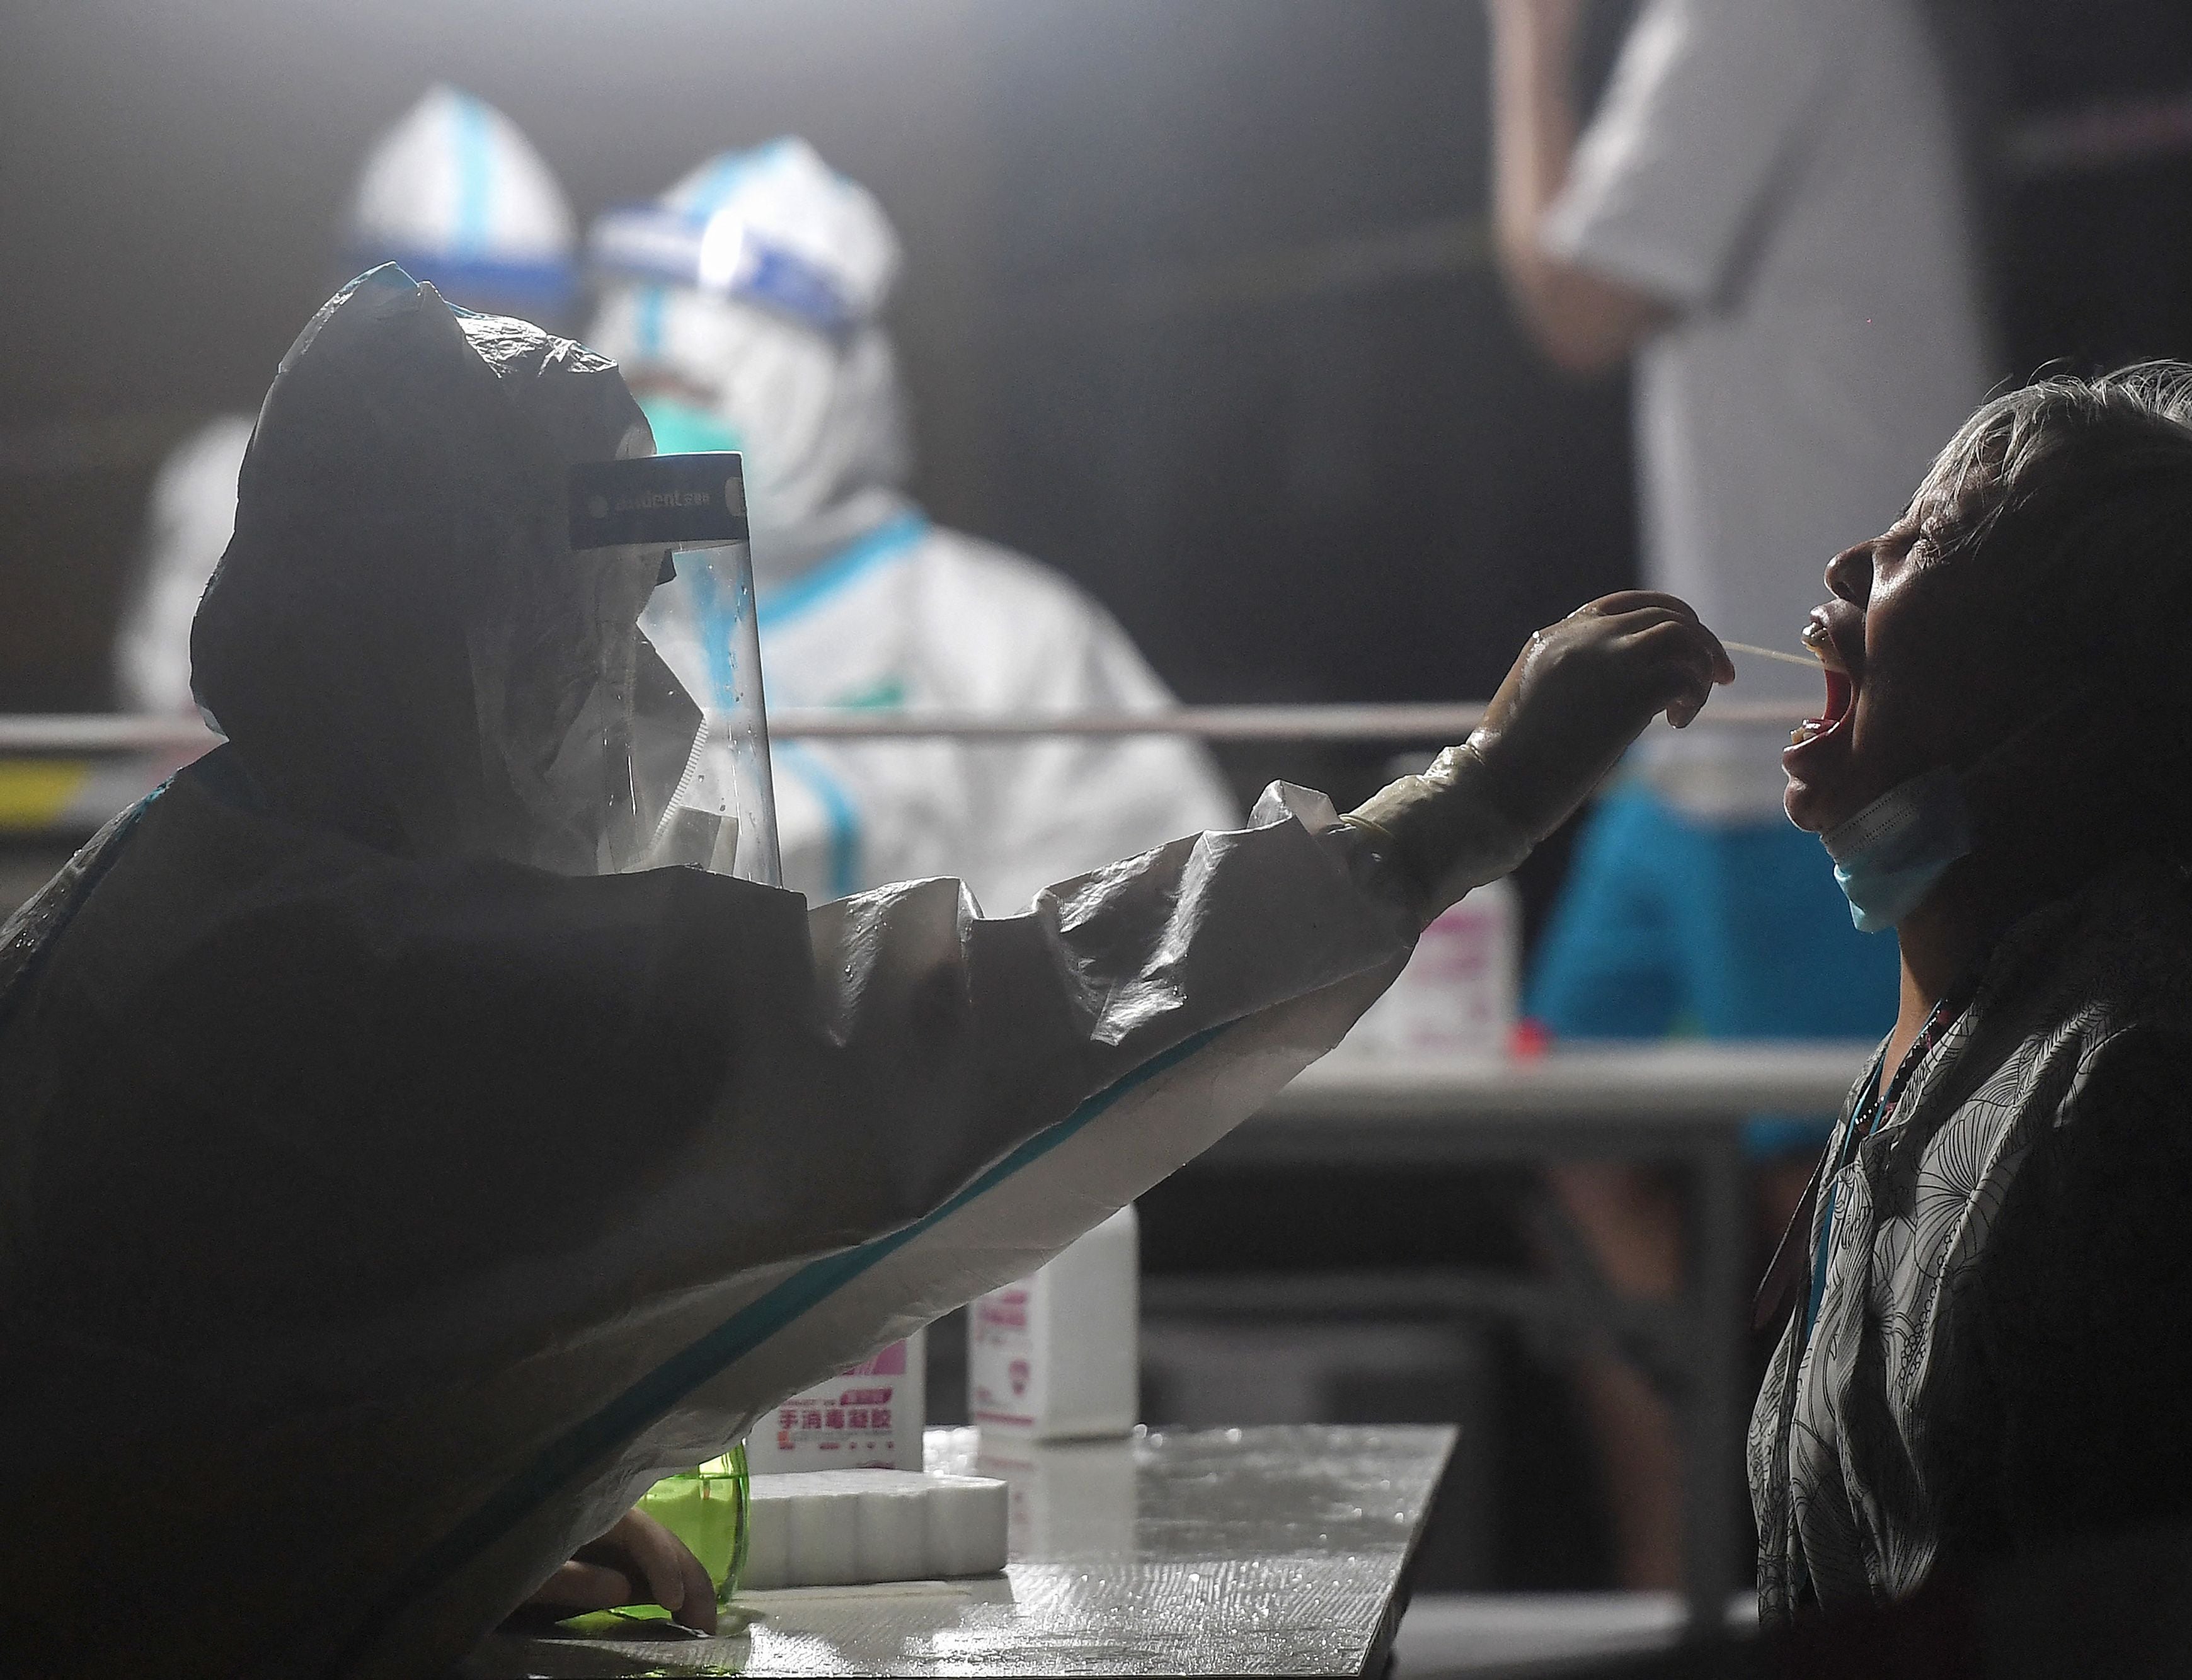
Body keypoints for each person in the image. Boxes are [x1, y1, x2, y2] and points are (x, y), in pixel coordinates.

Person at [0, 266, 1736, 1679]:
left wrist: (401, 1511)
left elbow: (230, 1406)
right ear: (474, 644)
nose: (659, 711)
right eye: (612, 635)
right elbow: (938, 1038)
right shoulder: (375, 973)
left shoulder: (205, 882)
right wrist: (1450, 817)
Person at [1487, 0, 1994, 1587]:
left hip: (1827, 709)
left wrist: (1526, 49)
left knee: (1836, 1199)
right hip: (1713, 727)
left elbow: (1571, 304)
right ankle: (1681, 1598)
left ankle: (1834, 1612)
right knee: (1571, 1141)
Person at [1749, 363, 2192, 1619]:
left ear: (2066, 709)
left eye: (1931, 536)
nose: (1848, 560)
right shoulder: (1961, 1040)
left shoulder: (2128, 1093)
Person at [582, 139, 1236, 913]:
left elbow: (1147, 930)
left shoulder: (1009, 636)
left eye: (696, 393)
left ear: (843, 395)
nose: (664, 430)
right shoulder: (558, 621)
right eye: (640, 391)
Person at [114, 84, 579, 718]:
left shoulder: (583, 500)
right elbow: (170, 716)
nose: (472, 347)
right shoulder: (231, 486)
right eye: (434, 312)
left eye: (508, 316)